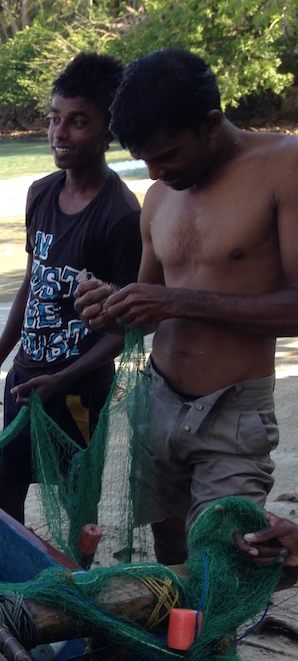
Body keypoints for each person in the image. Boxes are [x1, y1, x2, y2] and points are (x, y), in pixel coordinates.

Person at [75, 49, 298, 564]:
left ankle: (211, 645)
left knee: (221, 556)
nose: (156, 171)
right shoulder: (159, 197)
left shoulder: (283, 167)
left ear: (211, 124)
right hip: (155, 399)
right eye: (145, 160)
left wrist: (175, 300)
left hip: (231, 412)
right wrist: (110, 304)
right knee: (168, 543)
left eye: (169, 154)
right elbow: (151, 304)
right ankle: (173, 641)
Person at [0, 52, 142, 524]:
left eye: (78, 122)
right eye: (54, 119)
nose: (60, 133)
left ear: (108, 131)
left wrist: (64, 379)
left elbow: (125, 328)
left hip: (79, 392)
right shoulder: (40, 193)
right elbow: (32, 283)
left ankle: (74, 584)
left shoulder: (121, 216)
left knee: (79, 500)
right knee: (7, 488)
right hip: (27, 381)